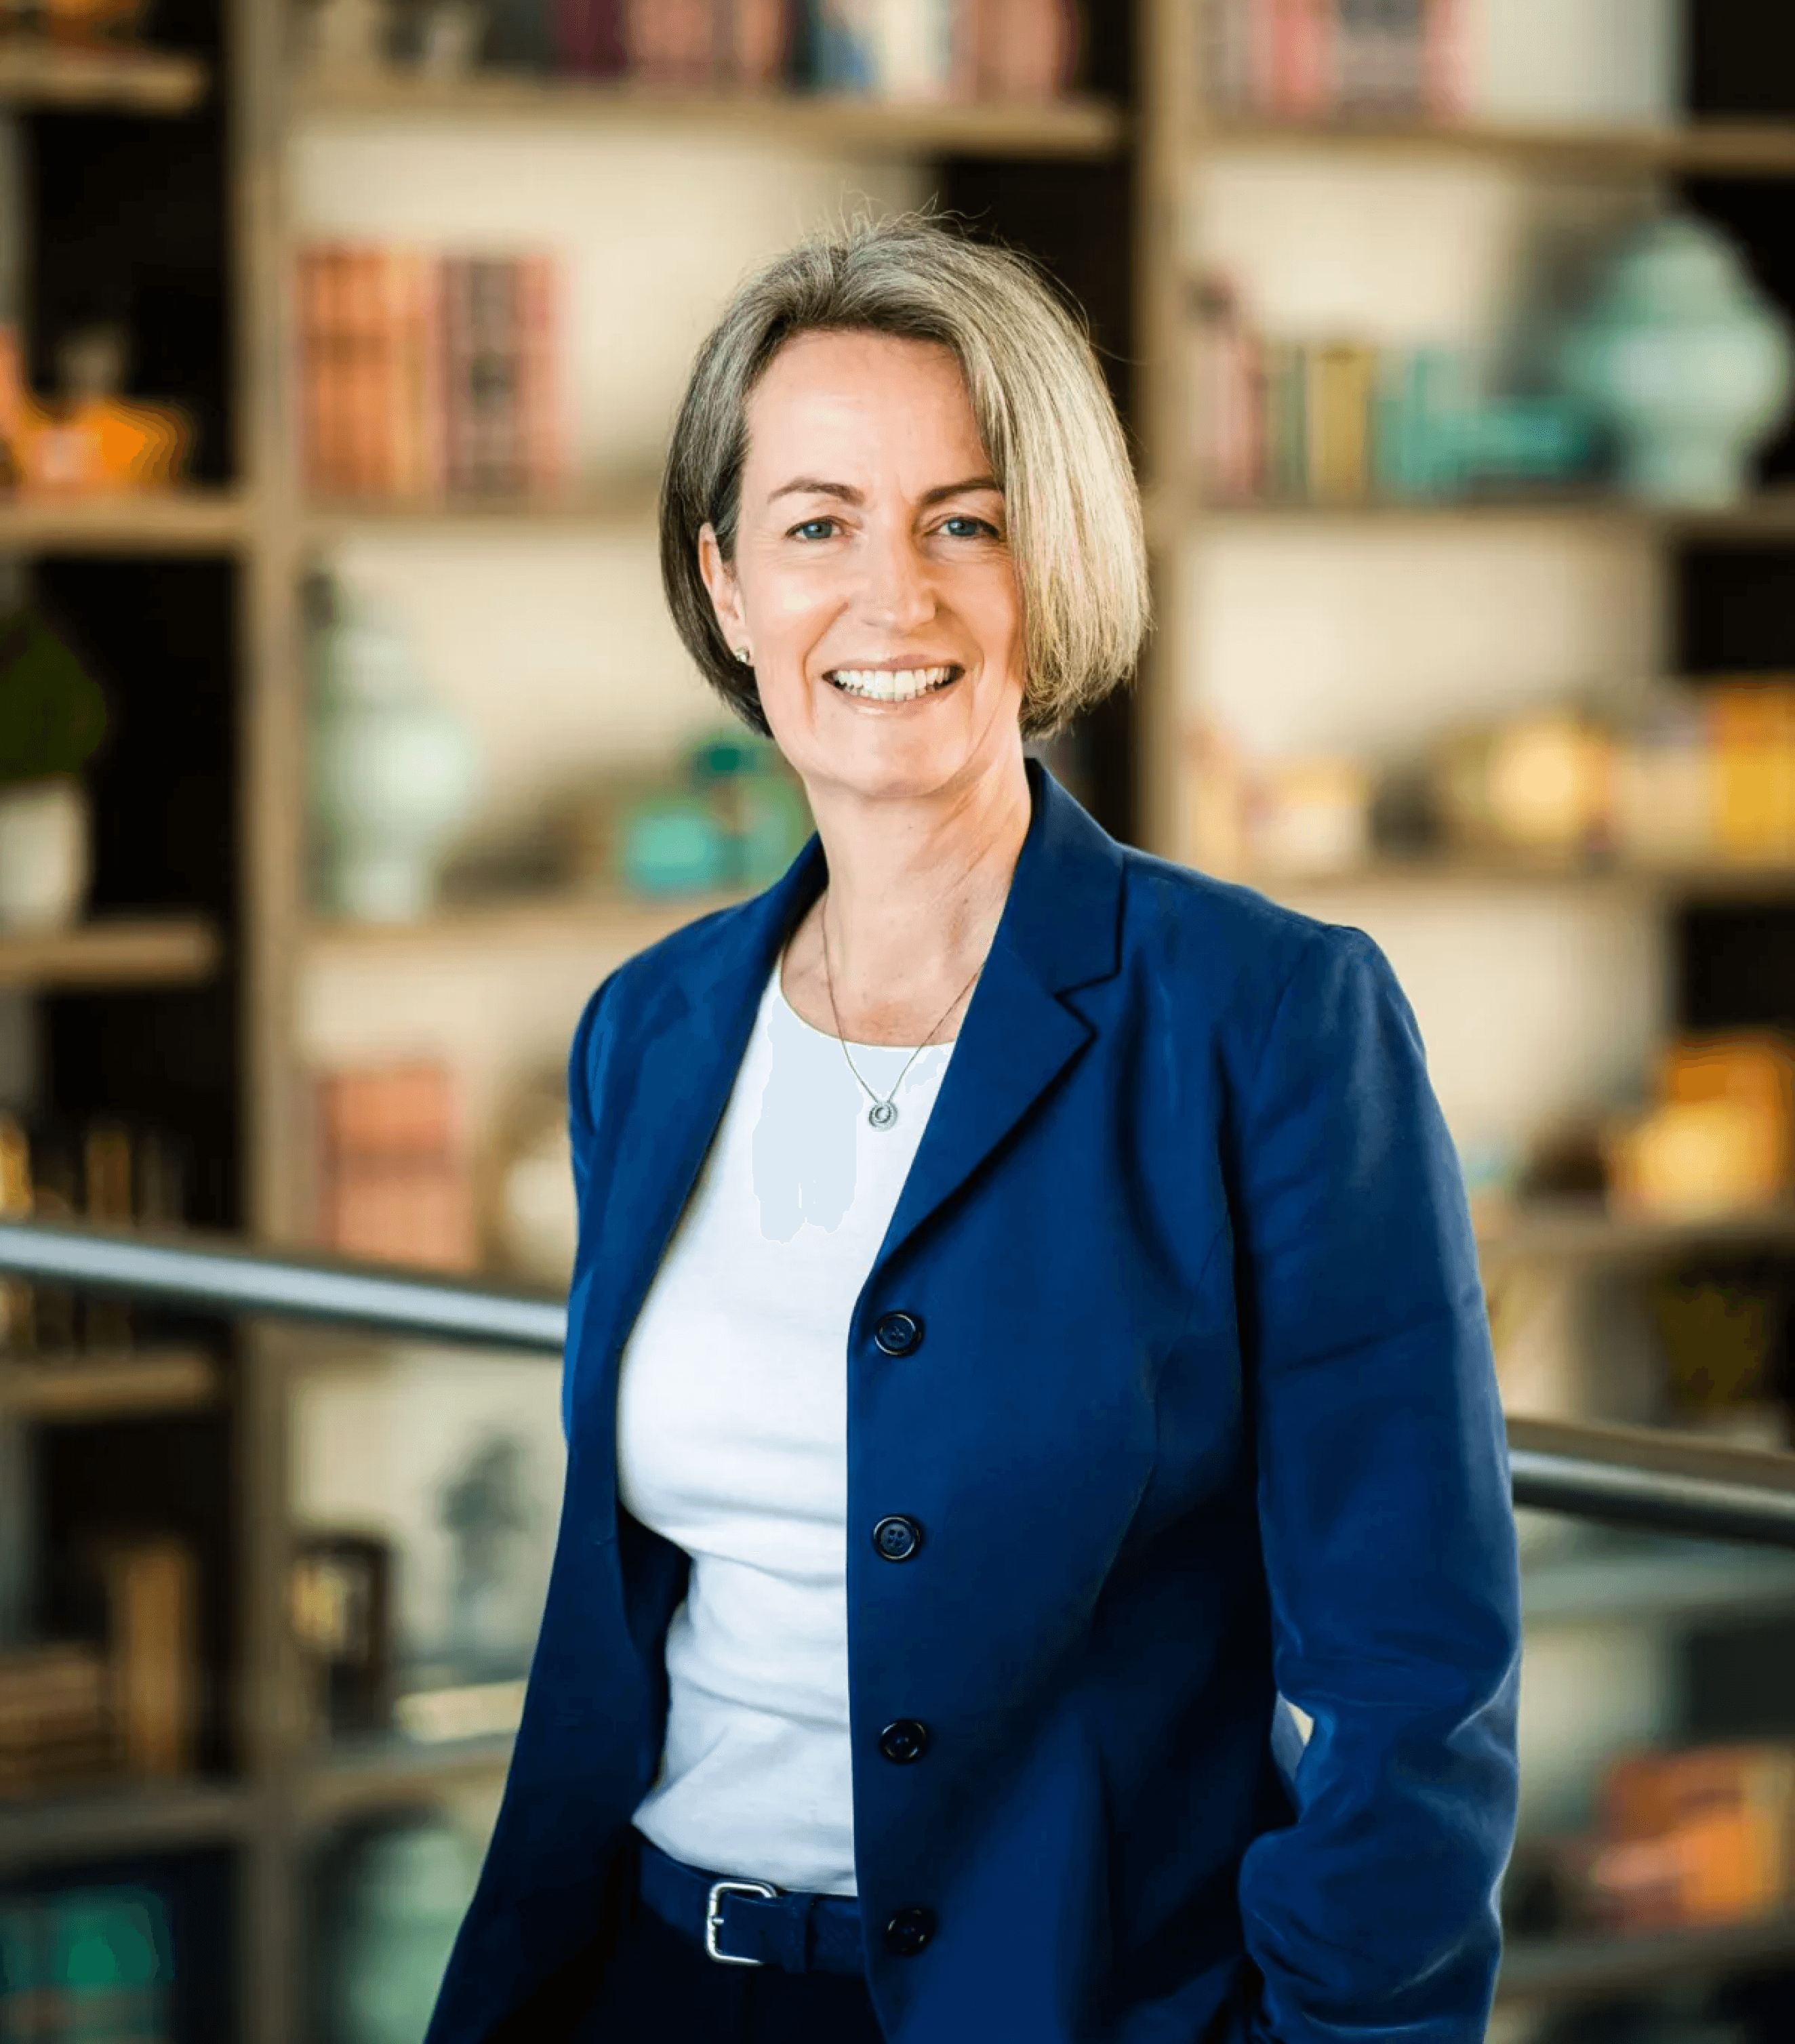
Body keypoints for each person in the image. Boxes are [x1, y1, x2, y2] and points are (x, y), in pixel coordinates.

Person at [424, 215, 1521, 2044]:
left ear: (1055, 558)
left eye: (967, 519)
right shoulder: (652, 1031)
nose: (893, 596)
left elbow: (1418, 1680)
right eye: (816, 525)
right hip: (647, 1981)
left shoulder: (1269, 1021)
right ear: (723, 585)